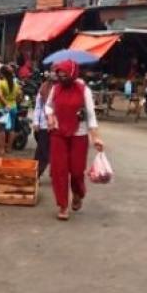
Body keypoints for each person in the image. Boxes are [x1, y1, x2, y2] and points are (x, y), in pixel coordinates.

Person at [45, 60, 104, 221]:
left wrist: (96, 137)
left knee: (77, 171)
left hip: (80, 133)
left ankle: (78, 192)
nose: (62, 78)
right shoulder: (56, 89)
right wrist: (50, 116)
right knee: (59, 171)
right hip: (58, 133)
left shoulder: (83, 90)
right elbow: (48, 105)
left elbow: (91, 115)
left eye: (65, 75)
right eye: (59, 75)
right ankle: (63, 205)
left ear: (72, 74)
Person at [0, 65, 22, 157]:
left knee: (1, 129)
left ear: (2, 74)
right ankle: (9, 148)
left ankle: (2, 148)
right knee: (11, 128)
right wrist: (13, 103)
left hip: (3, 108)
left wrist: (6, 104)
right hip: (13, 107)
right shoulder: (15, 84)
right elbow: (19, 96)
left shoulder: (1, 83)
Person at [32, 73, 54, 177]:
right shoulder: (43, 89)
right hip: (44, 125)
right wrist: (36, 122)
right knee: (41, 152)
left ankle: (55, 172)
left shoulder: (62, 90)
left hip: (58, 125)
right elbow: (38, 107)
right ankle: (35, 174)